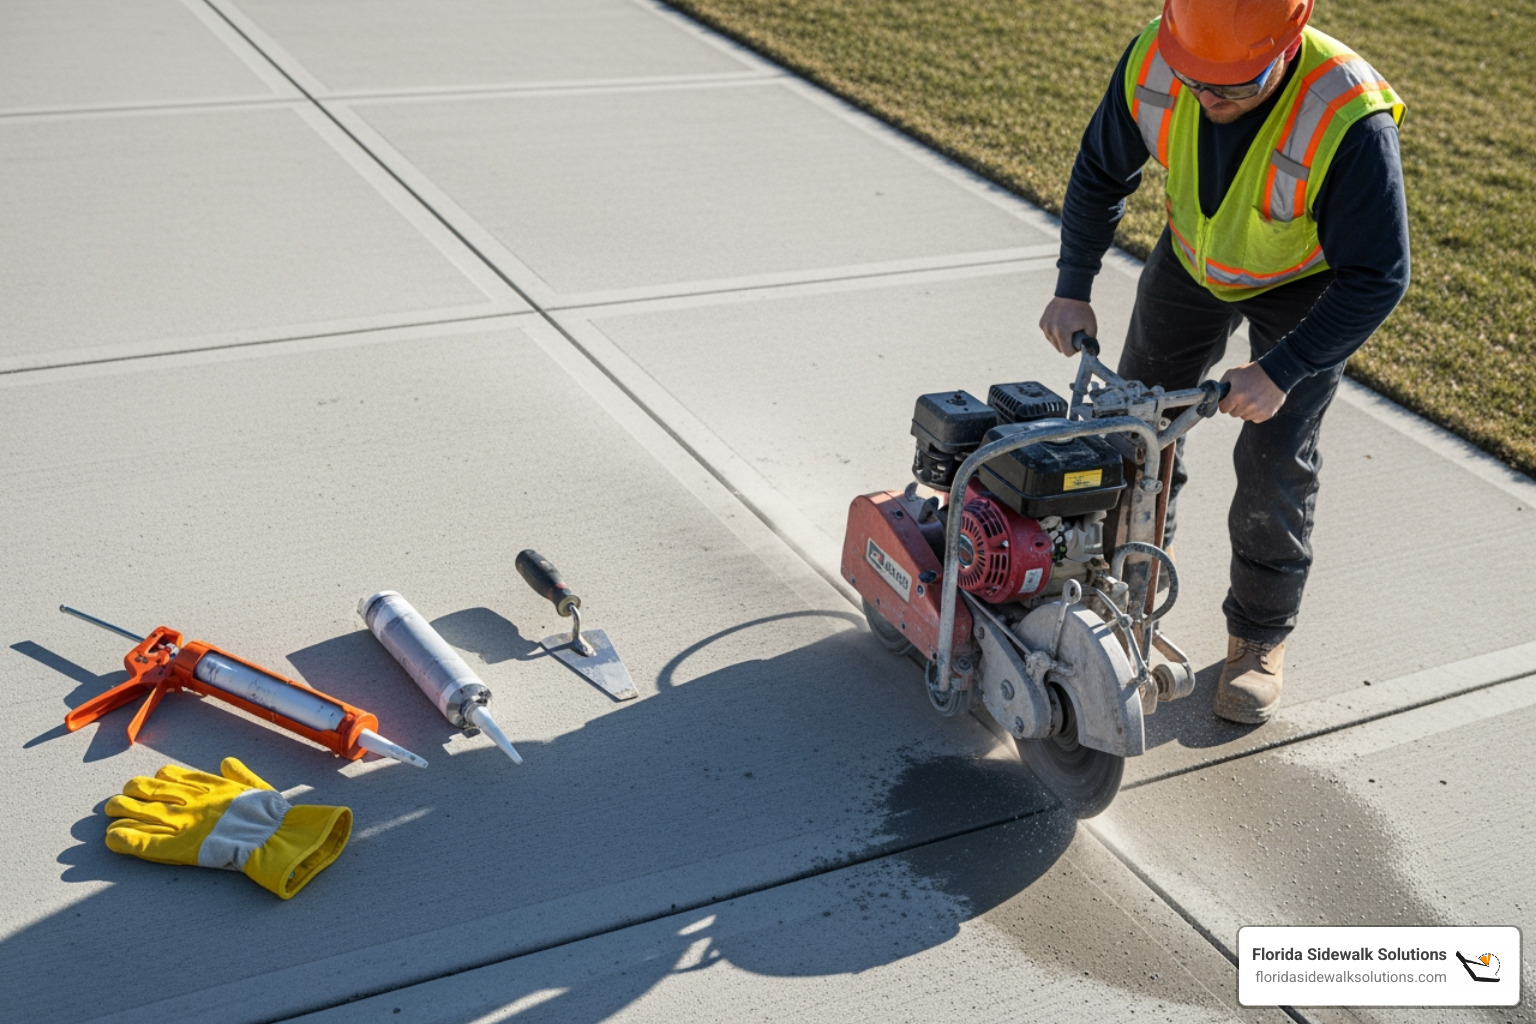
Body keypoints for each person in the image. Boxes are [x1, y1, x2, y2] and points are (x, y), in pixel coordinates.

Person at [1038, 0, 1409, 724]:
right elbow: (1099, 170)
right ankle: (1118, 606)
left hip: (1305, 283)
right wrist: (1073, 286)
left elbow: (1380, 275)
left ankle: (1257, 639)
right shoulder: (1156, 57)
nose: (1208, 100)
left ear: (1287, 46)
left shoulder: (1347, 115)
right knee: (1134, 434)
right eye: (1196, 80)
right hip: (1191, 264)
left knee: (1275, 462)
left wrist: (1283, 369)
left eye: (1231, 87)